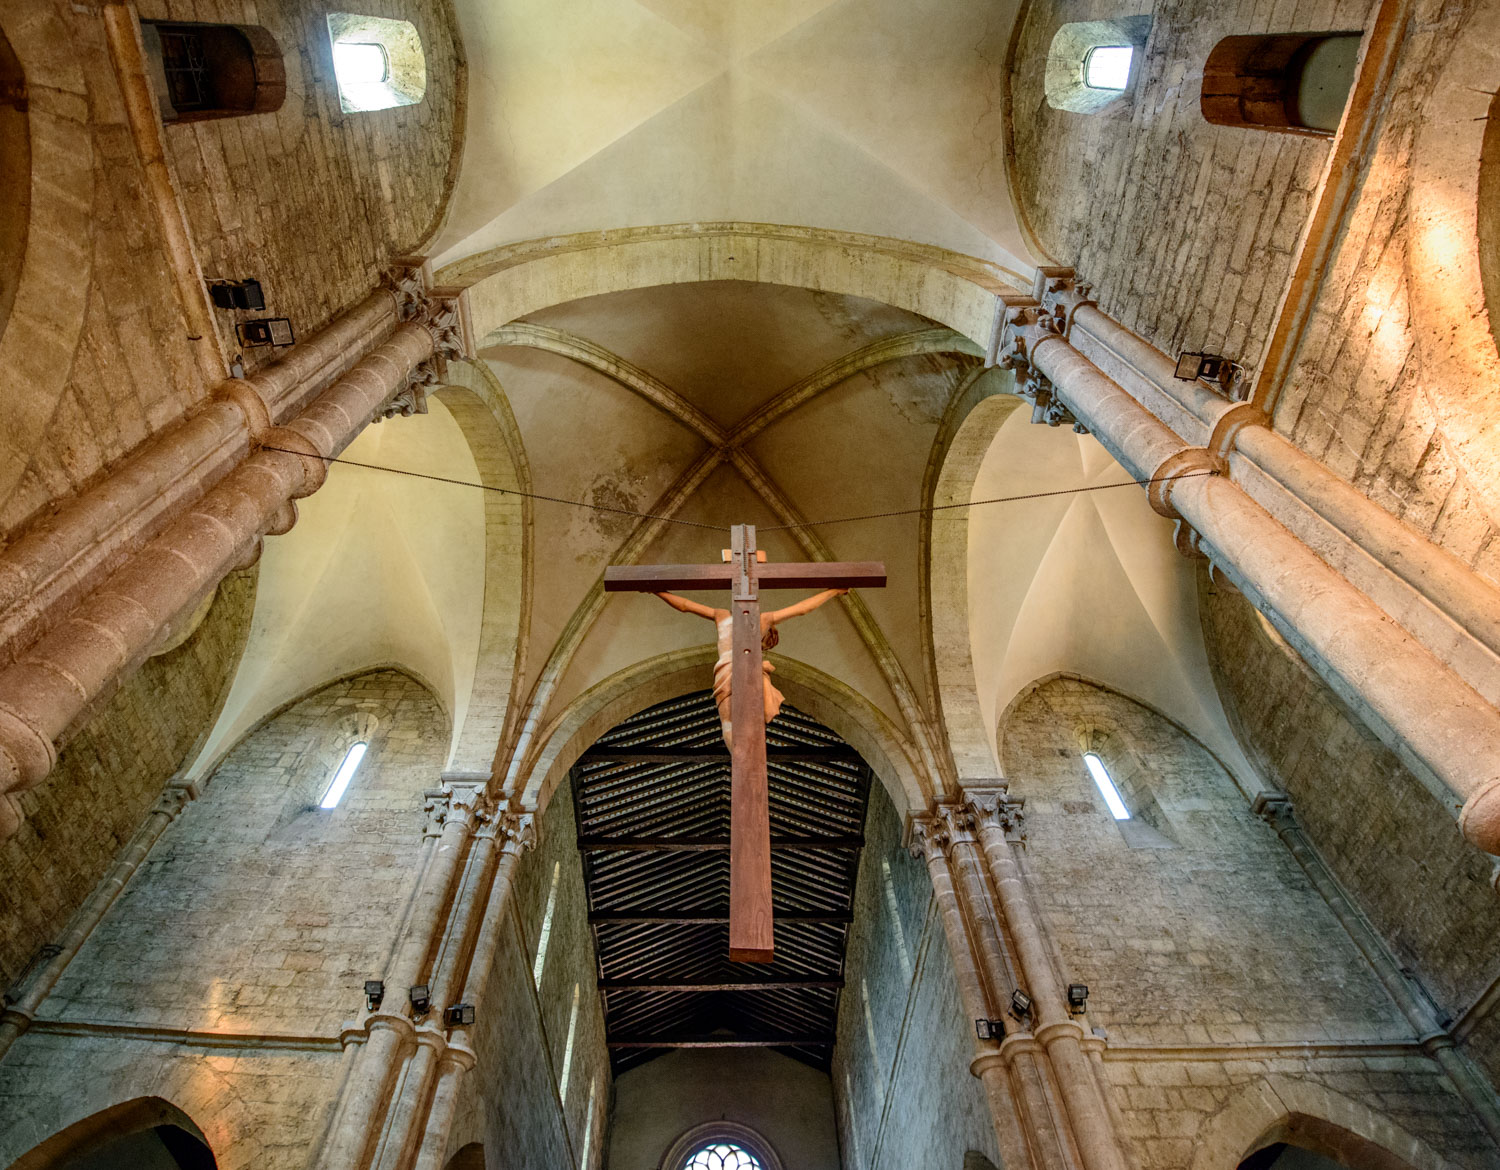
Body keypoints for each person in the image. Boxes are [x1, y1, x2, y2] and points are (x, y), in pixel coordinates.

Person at [652, 588, 849, 749]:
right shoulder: (763, 620)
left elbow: (685, 606)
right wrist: (832, 592)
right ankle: (747, 761)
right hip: (745, 671)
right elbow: (802, 609)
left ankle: (740, 760)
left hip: (726, 671)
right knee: (751, 727)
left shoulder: (722, 615)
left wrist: (657, 592)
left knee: (729, 725)